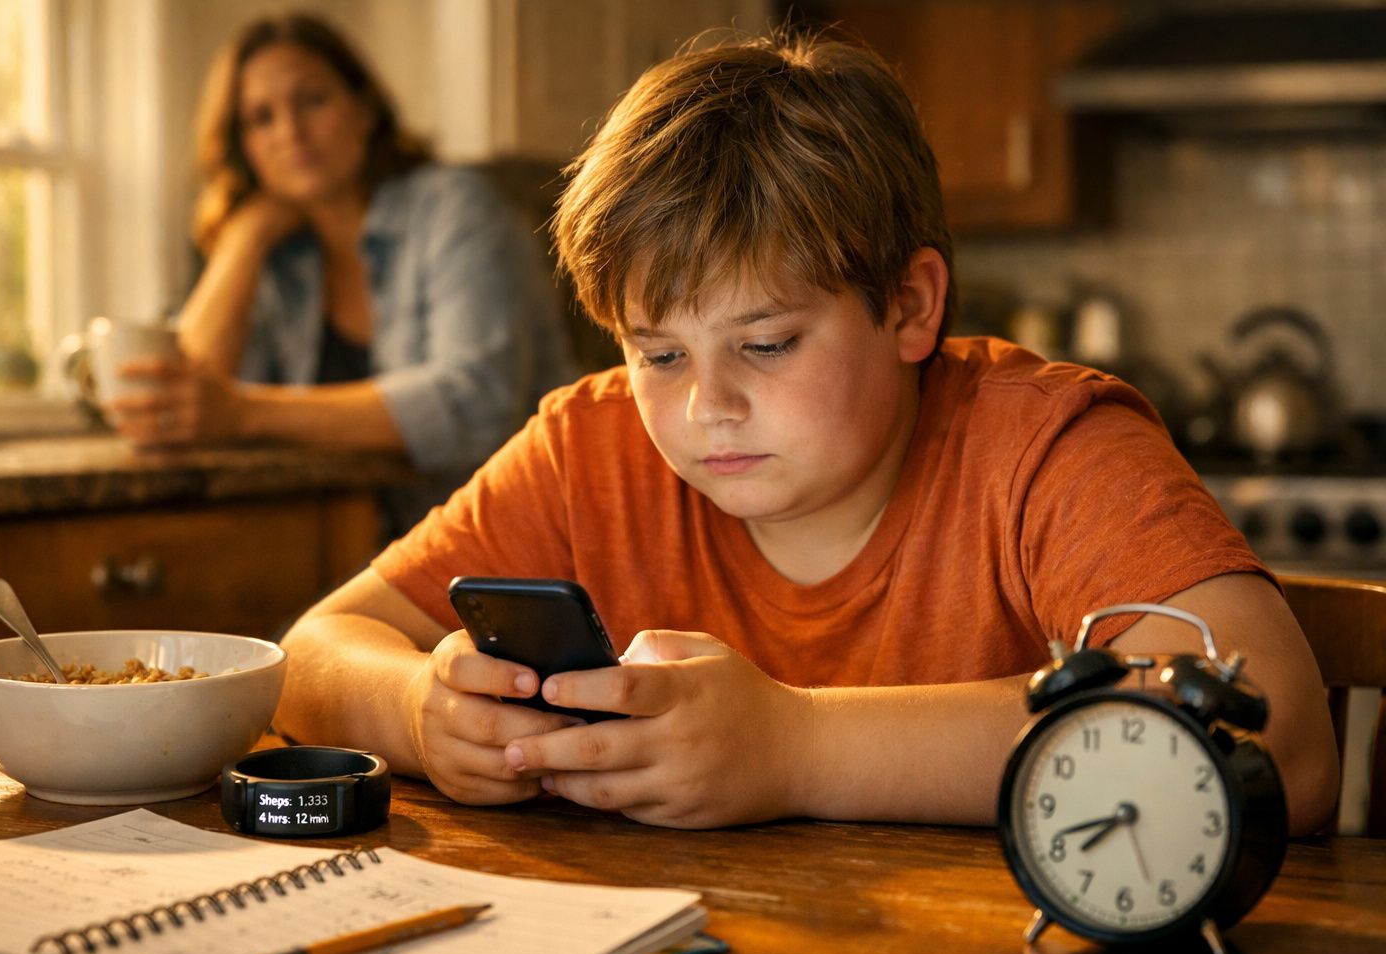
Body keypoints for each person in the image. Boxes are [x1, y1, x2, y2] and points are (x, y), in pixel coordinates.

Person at [271, 32, 1340, 834]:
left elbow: (1275, 738)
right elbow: (312, 653)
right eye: (660, 352)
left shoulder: (1045, 446)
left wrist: (796, 747)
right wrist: (419, 708)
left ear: (912, 309)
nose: (705, 406)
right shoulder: (591, 447)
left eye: (769, 344)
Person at [106, 13, 573, 533]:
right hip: (346, 538)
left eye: (312, 100)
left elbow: (474, 403)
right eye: (261, 118)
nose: (291, 132)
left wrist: (245, 413)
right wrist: (246, 237)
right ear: (244, 147)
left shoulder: (456, 209)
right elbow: (187, 398)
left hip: (511, 536)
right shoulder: (283, 257)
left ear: (365, 110)